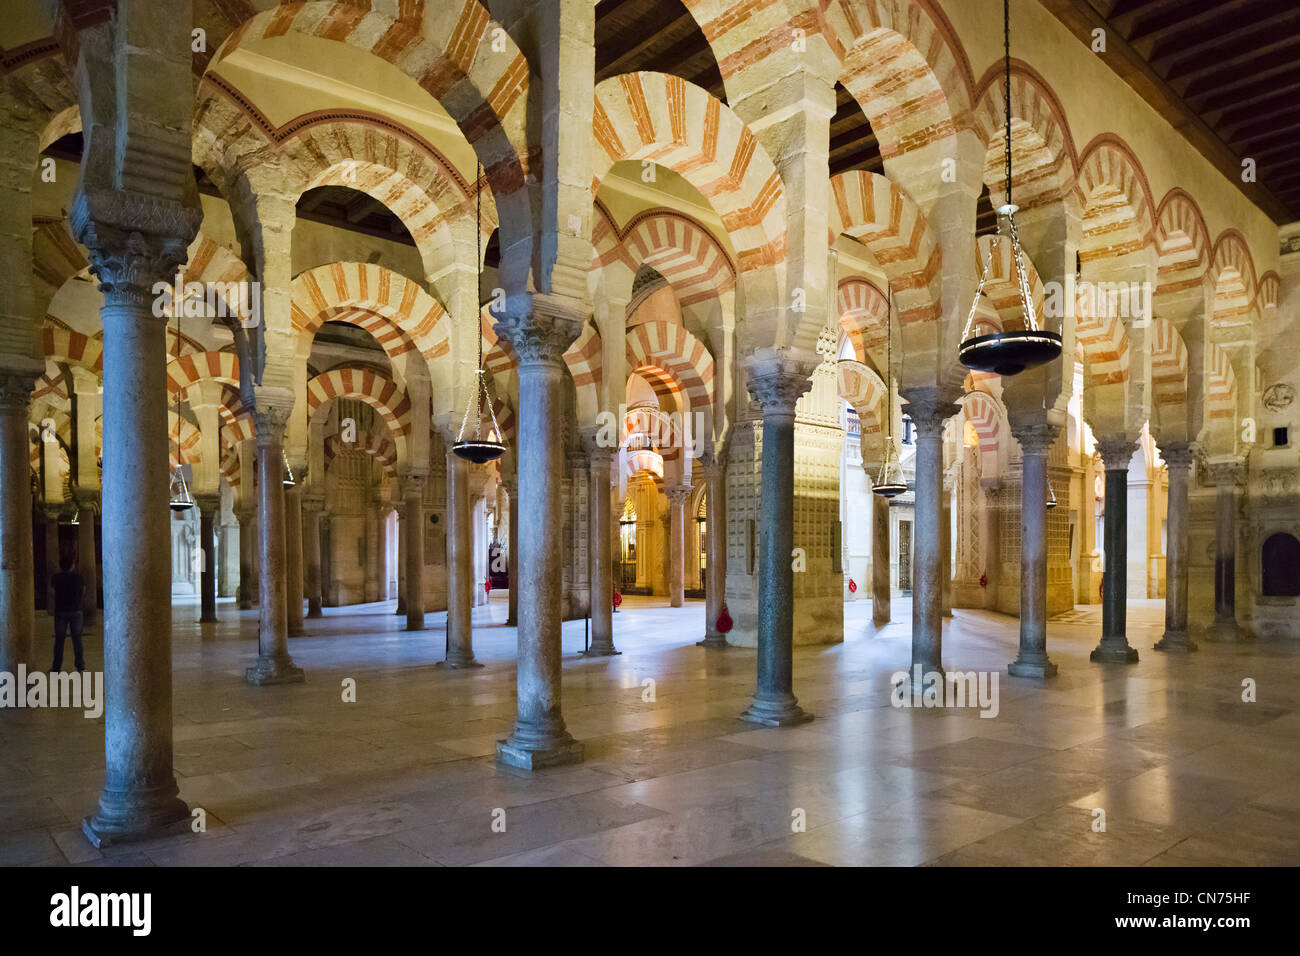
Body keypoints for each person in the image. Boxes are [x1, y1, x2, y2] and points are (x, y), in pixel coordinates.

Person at [51, 553, 85, 672]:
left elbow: (52, 593)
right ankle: (80, 665)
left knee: (59, 640)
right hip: (76, 611)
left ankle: (56, 666)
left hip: (61, 611)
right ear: (72, 565)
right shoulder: (78, 577)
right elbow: (83, 592)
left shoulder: (55, 577)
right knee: (77, 640)